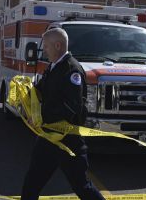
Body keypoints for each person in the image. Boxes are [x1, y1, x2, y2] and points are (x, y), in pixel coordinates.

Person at [20, 28, 105, 200]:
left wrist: (40, 116)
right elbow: (41, 91)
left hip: (69, 141)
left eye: (47, 47)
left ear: (58, 45)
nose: (44, 50)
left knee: (82, 186)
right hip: (48, 137)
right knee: (32, 183)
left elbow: (71, 107)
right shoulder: (53, 67)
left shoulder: (72, 70)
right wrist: (24, 97)